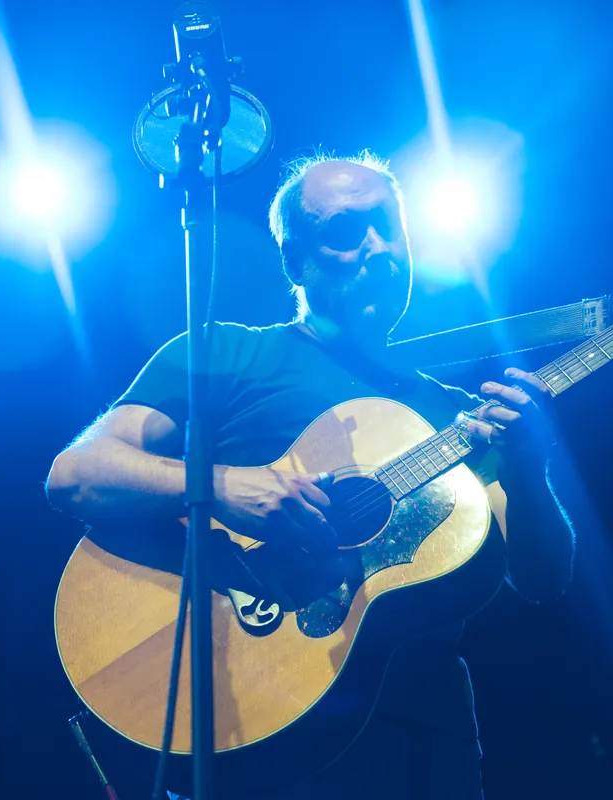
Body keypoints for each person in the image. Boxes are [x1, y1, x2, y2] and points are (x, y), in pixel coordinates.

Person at [46, 151, 576, 799]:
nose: (377, 246)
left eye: (388, 225)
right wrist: (222, 488)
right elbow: (76, 474)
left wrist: (530, 472)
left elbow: (543, 580)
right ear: (295, 262)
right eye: (346, 232)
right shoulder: (229, 351)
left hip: (421, 746)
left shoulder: (458, 417)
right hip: (256, 714)